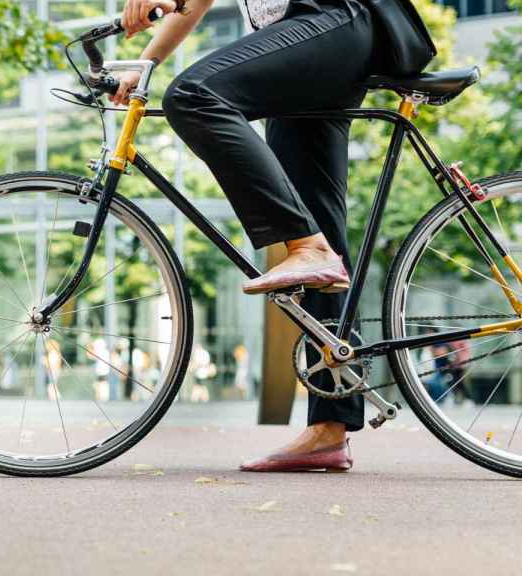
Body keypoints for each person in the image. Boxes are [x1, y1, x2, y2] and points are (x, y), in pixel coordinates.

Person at [116, 0, 379, 471]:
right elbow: (194, 5)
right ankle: (329, 428)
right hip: (308, 43)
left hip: (333, 21)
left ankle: (307, 246)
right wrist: (145, 64)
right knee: (317, 222)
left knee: (193, 94)